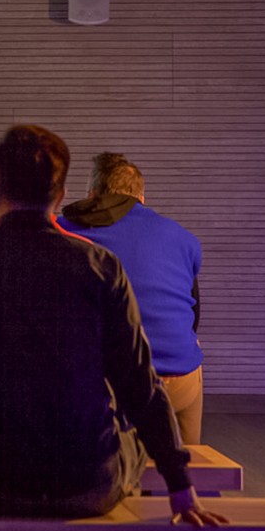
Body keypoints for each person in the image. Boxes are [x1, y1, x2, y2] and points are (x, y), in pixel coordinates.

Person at [0, 125, 224, 531]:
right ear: (60, 197)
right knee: (125, 435)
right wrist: (180, 487)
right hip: (90, 484)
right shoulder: (100, 266)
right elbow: (139, 384)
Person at [60, 152, 205, 443]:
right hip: (180, 379)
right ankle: (191, 469)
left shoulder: (65, 231)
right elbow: (194, 313)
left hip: (115, 388)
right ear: (142, 196)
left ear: (92, 194)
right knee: (188, 446)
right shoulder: (184, 238)